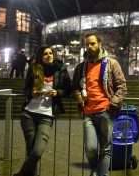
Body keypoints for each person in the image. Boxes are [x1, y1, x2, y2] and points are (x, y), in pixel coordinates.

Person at [72, 33, 127, 176]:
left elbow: (122, 87)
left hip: (106, 112)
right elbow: (75, 87)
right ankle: (97, 170)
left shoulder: (111, 63)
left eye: (92, 44)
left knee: (105, 149)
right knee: (90, 148)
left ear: (99, 44)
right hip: (88, 113)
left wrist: (112, 104)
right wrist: (78, 96)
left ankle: (100, 173)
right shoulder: (81, 67)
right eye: (87, 44)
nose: (89, 47)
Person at [14, 45, 71, 176]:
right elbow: (26, 89)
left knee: (37, 151)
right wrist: (31, 93)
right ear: (40, 56)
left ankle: (21, 174)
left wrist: (57, 92)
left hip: (47, 115)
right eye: (45, 54)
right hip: (29, 113)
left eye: (50, 53)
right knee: (30, 150)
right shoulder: (34, 68)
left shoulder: (61, 69)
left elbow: (68, 89)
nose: (49, 55)